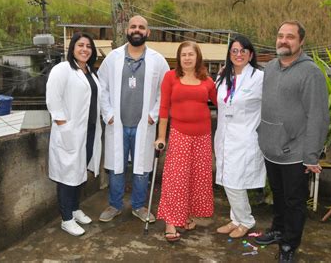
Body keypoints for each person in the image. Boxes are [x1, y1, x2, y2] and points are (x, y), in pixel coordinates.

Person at [254, 20, 329, 262]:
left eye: (290, 37)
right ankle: (278, 229)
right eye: (280, 35)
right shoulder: (271, 68)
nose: (283, 40)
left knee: (294, 201)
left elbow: (318, 115)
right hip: (271, 148)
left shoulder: (311, 73)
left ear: (301, 42)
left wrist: (311, 156)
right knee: (277, 194)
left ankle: (289, 244)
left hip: (295, 152)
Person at [98, 15, 169, 223]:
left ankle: (139, 206)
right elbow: (102, 87)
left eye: (141, 27)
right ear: (127, 31)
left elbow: (164, 92)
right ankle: (115, 205)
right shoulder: (113, 58)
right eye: (133, 26)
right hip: (117, 124)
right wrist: (108, 114)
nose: (137, 30)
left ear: (148, 33)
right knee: (116, 167)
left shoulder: (158, 60)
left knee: (142, 169)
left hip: (143, 125)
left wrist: (152, 115)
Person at [155, 41, 217, 242]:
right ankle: (171, 222)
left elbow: (222, 102)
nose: (188, 58)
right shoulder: (170, 77)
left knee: (196, 178)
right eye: (184, 55)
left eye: (191, 54)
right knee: (176, 179)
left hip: (203, 136)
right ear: (179, 58)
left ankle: (186, 215)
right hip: (180, 133)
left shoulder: (207, 80)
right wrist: (161, 136)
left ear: (197, 57)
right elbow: (164, 109)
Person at [46, 32, 102, 236]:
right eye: (80, 45)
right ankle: (66, 218)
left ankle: (75, 209)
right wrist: (64, 126)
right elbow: (53, 100)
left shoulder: (90, 72)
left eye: (88, 46)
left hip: (89, 132)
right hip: (70, 133)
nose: (85, 49)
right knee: (66, 176)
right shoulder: (62, 70)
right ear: (72, 48)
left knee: (79, 173)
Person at [214, 35, 266, 239]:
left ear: (250, 54)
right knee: (227, 178)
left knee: (234, 181)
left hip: (245, 138)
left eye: (243, 51)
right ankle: (235, 219)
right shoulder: (222, 76)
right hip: (224, 135)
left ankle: (246, 220)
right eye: (234, 51)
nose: (239, 54)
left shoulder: (259, 78)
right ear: (229, 54)